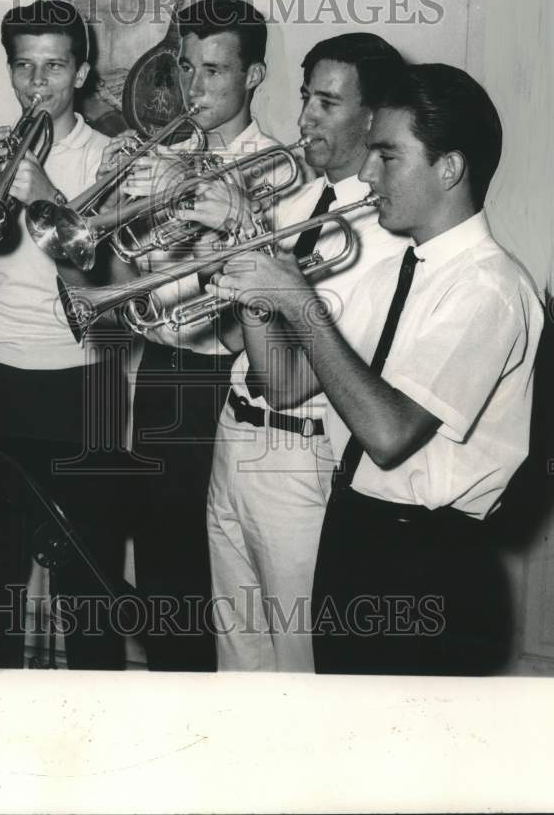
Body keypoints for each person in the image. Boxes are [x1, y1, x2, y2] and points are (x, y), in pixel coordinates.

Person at [209, 63, 542, 675]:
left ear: (449, 167)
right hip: (353, 527)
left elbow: (388, 436)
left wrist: (301, 305)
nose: (366, 172)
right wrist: (257, 284)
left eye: (387, 155)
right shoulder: (393, 273)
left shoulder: (487, 289)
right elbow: (283, 386)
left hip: (428, 556)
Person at [203, 33, 408, 672]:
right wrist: (227, 250)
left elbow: (287, 382)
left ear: (373, 118)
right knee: (236, 656)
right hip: (232, 439)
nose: (303, 119)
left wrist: (252, 240)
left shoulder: (384, 235)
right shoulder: (291, 202)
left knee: (299, 662)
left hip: (299, 458)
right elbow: (236, 338)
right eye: (304, 97)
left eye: (327, 102)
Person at [0, 0, 129, 670]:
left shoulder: (111, 157)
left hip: (82, 379)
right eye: (23, 66)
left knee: (88, 583)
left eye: (54, 66)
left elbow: (108, 290)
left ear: (81, 73)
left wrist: (47, 194)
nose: (36, 84)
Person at [107, 0, 279, 671]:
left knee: (219, 569)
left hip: (227, 379)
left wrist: (203, 203)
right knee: (158, 560)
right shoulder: (164, 154)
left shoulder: (275, 168)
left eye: (215, 69)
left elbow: (255, 306)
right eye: (188, 67)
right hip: (160, 371)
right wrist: (118, 204)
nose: (196, 86)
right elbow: (125, 285)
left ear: (253, 76)